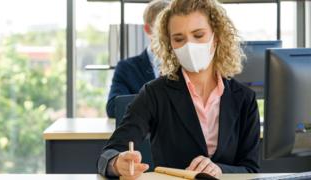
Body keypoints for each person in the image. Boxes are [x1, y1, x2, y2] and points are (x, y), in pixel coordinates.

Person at [98, 0, 260, 179]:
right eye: (179, 39)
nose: (189, 46)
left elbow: (250, 168)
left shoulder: (244, 98)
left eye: (198, 35)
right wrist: (117, 163)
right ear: (170, 45)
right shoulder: (155, 93)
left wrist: (219, 170)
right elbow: (108, 155)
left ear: (217, 37)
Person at [106, 0, 170, 118]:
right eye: (162, 28)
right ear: (148, 29)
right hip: (143, 135)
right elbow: (113, 107)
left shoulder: (186, 64)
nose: (169, 34)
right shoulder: (127, 68)